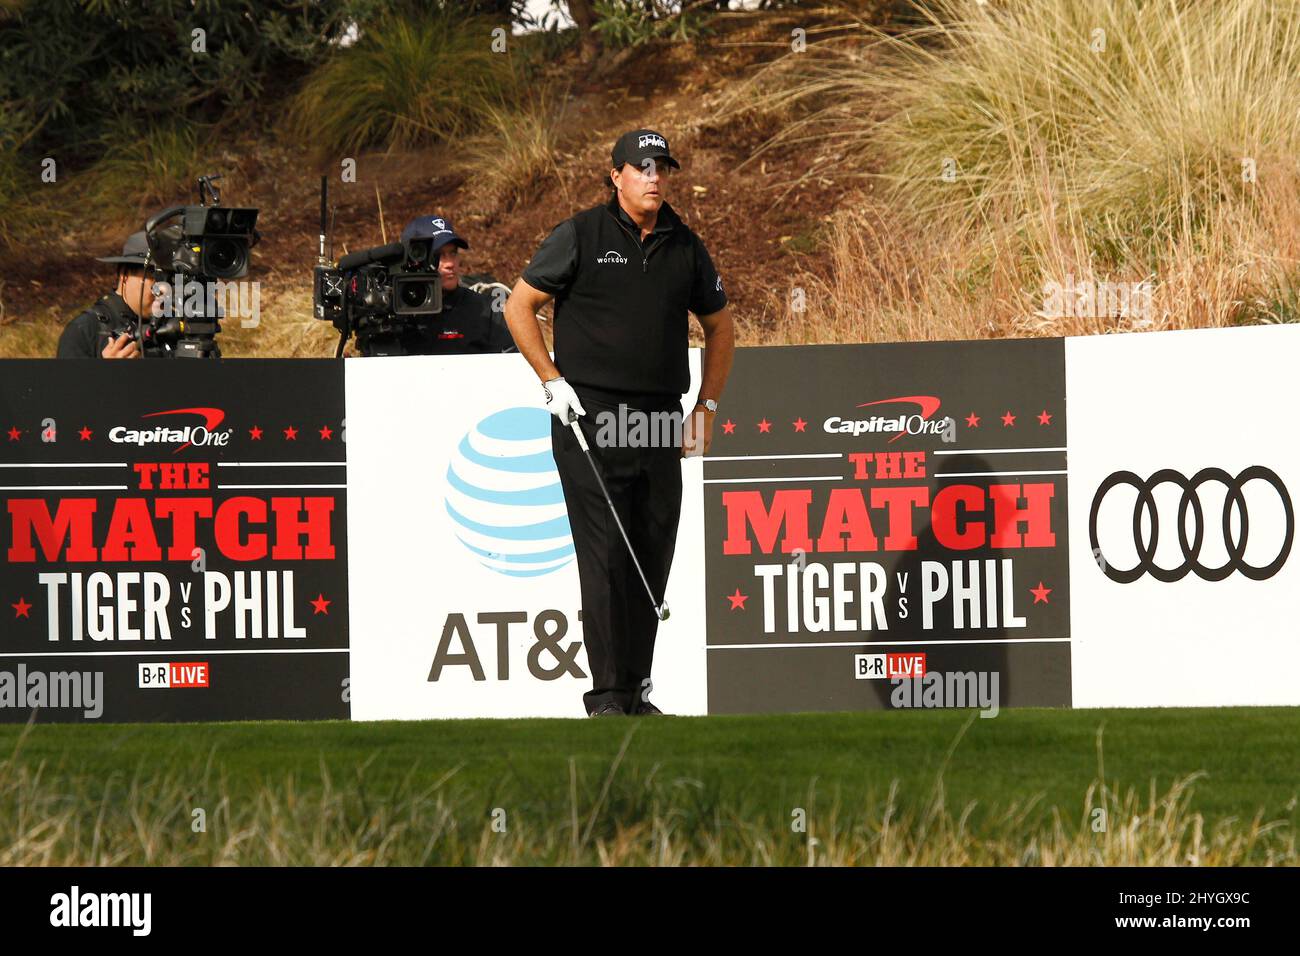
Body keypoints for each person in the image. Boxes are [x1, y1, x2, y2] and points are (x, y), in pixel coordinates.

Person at [505, 128, 735, 718]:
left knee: (650, 554)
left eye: (662, 167)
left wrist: (705, 407)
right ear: (617, 175)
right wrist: (550, 379)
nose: (654, 177)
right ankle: (606, 696)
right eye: (642, 167)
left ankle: (636, 692)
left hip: (659, 417)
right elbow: (519, 305)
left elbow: (721, 327)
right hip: (592, 416)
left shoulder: (685, 244)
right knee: (607, 554)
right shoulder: (581, 233)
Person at [355, 215, 517, 356]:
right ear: (412, 261)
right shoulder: (390, 314)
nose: (450, 264)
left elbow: (511, 367)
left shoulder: (485, 309)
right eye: (438, 256)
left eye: (453, 253)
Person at [56, 231, 159, 359]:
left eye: (170, 279)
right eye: (155, 277)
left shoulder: (177, 328)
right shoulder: (84, 330)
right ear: (124, 274)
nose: (163, 289)